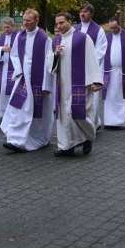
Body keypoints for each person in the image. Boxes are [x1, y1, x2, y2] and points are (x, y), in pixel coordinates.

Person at [47, 12, 103, 157]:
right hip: (63, 84)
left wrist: (95, 81)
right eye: (57, 23)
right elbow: (49, 65)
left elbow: (92, 58)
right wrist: (55, 55)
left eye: (62, 23)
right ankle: (66, 146)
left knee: (80, 114)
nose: (59, 26)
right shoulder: (56, 41)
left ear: (70, 21)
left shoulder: (83, 38)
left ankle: (88, 137)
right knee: (64, 115)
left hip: (81, 83)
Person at [0, 9, 55, 152]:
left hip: (39, 81)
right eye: (24, 20)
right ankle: (15, 140)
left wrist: (47, 84)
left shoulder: (44, 39)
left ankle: (40, 138)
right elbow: (15, 55)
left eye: (28, 20)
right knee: (18, 109)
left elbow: (49, 62)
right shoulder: (20, 36)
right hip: (23, 80)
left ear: (36, 20)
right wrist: (18, 71)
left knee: (39, 114)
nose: (25, 23)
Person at [77, 3, 107, 129]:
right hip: (77, 68)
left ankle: (93, 124)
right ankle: (85, 122)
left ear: (91, 14)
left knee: (92, 99)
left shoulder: (98, 30)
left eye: (86, 12)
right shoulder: (76, 28)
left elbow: (101, 50)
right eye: (81, 11)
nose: (82, 14)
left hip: (92, 68)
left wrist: (89, 62)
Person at [0, 17, 18, 119]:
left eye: (8, 27)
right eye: (4, 27)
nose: (6, 29)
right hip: (3, 68)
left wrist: (11, 50)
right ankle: (3, 112)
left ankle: (13, 113)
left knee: (13, 90)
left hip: (14, 68)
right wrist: (2, 49)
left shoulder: (19, 37)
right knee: (3, 90)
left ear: (13, 26)